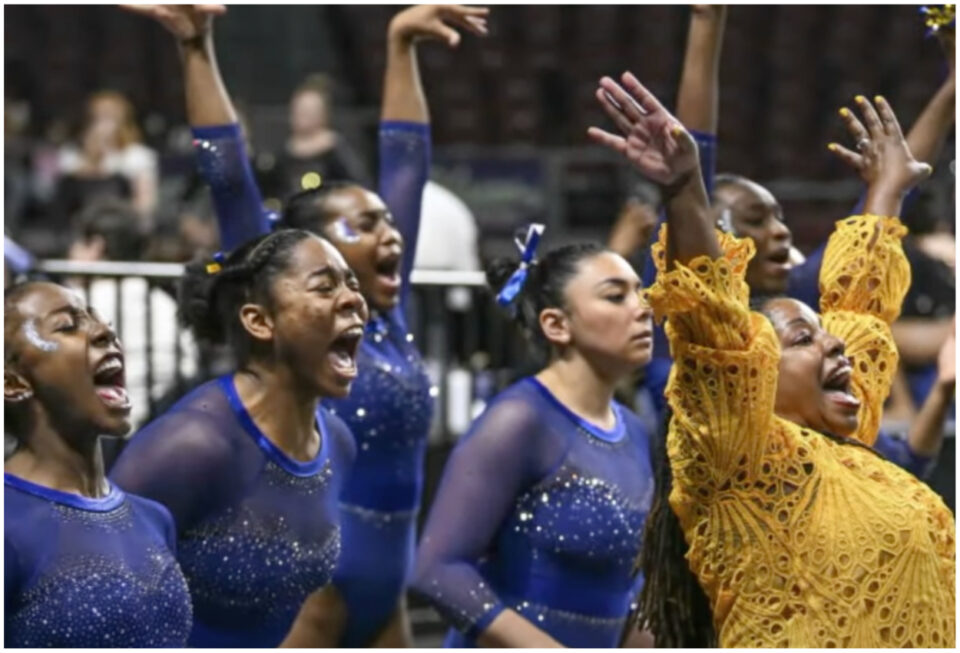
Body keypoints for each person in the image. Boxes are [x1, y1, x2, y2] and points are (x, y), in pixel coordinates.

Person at [126, 3, 488, 645]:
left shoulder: (383, 317)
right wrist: (196, 49)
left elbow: (407, 164)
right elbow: (227, 173)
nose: (390, 233)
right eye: (364, 224)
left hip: (389, 579)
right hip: (317, 579)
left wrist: (400, 45)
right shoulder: (280, 296)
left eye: (388, 222)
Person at [590, 72, 954, 647]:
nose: (835, 343)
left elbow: (859, 310)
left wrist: (888, 190)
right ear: (753, 375)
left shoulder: (849, 442)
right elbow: (713, 330)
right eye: (804, 339)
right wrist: (684, 187)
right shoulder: (749, 459)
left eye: (825, 336)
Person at [110, 226, 365, 647]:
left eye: (352, 284)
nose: (353, 299)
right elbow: (82, 599)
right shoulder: (190, 445)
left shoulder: (338, 443)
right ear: (259, 321)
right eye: (325, 287)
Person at [412, 227, 655, 648]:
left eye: (640, 293)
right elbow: (439, 571)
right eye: (616, 296)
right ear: (557, 325)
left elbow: (630, 583)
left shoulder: (632, 429)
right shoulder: (519, 420)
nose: (643, 309)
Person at [4, 281, 192, 647]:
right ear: (12, 382)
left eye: (99, 319)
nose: (106, 330)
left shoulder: (154, 518)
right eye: (66, 326)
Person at [66, 199, 198, 428]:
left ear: (96, 246)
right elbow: (189, 367)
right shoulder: (162, 302)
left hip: (104, 428)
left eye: (77, 243)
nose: (71, 252)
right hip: (162, 423)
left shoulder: (75, 304)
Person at [56, 91, 159, 224]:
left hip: (123, 223)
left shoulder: (138, 155)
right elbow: (66, 194)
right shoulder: (71, 153)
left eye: (109, 118)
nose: (102, 125)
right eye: (97, 118)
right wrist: (92, 156)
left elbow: (145, 203)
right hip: (80, 224)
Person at [265, 74, 372, 199]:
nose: (303, 115)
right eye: (299, 109)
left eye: (309, 110)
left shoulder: (336, 149)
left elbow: (359, 184)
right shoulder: (283, 152)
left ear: (323, 113)